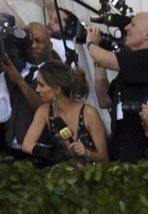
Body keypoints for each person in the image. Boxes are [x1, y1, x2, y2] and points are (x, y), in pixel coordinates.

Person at [85, 11, 148, 161]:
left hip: (144, 155)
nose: (126, 28)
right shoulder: (131, 68)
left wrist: (91, 43)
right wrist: (99, 62)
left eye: (132, 24)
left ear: (146, 34)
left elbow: (101, 57)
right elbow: (104, 99)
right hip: (121, 150)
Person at [22, 59, 107, 163]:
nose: (37, 90)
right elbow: (26, 145)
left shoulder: (88, 113)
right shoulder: (44, 111)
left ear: (57, 89)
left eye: (41, 85)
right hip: (64, 175)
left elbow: (104, 157)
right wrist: (52, 154)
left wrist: (86, 152)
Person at [2, 21, 52, 154]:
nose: (33, 45)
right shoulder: (13, 68)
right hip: (8, 147)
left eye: (38, 41)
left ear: (50, 46)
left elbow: (45, 109)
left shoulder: (55, 73)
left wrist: (19, 80)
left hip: (38, 150)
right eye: (29, 41)